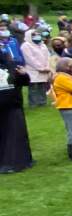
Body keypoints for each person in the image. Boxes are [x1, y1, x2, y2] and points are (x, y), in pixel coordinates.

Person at [0, 45, 33, 174]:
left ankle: (18, 161)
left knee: (16, 135)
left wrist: (24, 74)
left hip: (13, 106)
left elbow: (25, 81)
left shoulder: (12, 66)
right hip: (10, 105)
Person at [20, 30, 51, 108]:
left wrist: (47, 66)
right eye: (34, 35)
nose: (37, 36)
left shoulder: (43, 45)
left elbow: (47, 56)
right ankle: (33, 103)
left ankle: (42, 102)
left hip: (44, 69)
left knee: (42, 86)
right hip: (32, 69)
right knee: (33, 87)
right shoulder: (25, 45)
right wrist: (40, 67)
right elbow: (29, 58)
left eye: (38, 34)